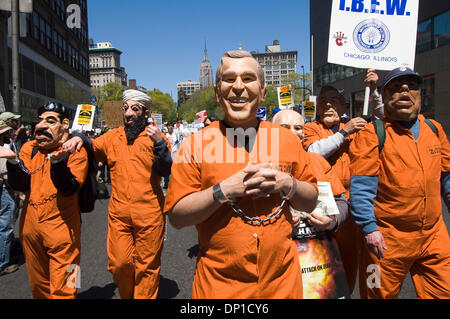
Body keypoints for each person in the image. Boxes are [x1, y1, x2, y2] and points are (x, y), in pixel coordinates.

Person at [164, 50, 318, 299]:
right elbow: (177, 217)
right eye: (229, 79)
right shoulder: (194, 145)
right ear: (217, 92)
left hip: (284, 285)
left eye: (248, 78)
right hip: (220, 288)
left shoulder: (288, 140)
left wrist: (288, 183)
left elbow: (311, 200)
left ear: (263, 91)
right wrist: (222, 191)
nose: (238, 87)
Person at [350, 67, 450, 299]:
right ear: (384, 97)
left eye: (411, 87)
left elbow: (447, 178)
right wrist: (369, 229)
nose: (404, 92)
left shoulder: (435, 130)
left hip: (434, 236)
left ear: (419, 94)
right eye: (395, 88)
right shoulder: (372, 134)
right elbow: (361, 189)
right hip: (385, 241)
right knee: (376, 294)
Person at [63, 89, 172, 299]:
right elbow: (91, 145)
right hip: (119, 215)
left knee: (147, 268)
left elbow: (166, 169)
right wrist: (79, 138)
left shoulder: (156, 138)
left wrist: (159, 143)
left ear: (146, 112)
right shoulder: (113, 137)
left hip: (150, 215)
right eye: (125, 108)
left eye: (135, 109)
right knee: (119, 264)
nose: (128, 113)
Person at [3, 102, 88, 298]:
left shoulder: (76, 150)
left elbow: (70, 188)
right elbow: (21, 185)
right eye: (40, 121)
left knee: (68, 284)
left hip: (64, 231)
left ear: (65, 125)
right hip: (31, 229)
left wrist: (59, 163)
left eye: (50, 121)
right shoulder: (29, 147)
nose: (40, 126)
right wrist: (13, 162)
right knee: (38, 286)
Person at [303, 84, 367, 293]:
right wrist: (343, 134)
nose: (328, 105)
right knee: (322, 266)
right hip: (324, 207)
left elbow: (384, 123)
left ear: (343, 106)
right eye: (323, 102)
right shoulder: (311, 128)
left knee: (351, 263)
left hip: (354, 206)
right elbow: (314, 151)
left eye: (334, 101)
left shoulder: (356, 126)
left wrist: (373, 91)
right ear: (317, 109)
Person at [0, 121, 18, 276]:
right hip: (4, 190)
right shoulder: (4, 150)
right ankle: (2, 263)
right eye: (6, 133)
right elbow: (6, 174)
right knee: (5, 226)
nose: (10, 135)